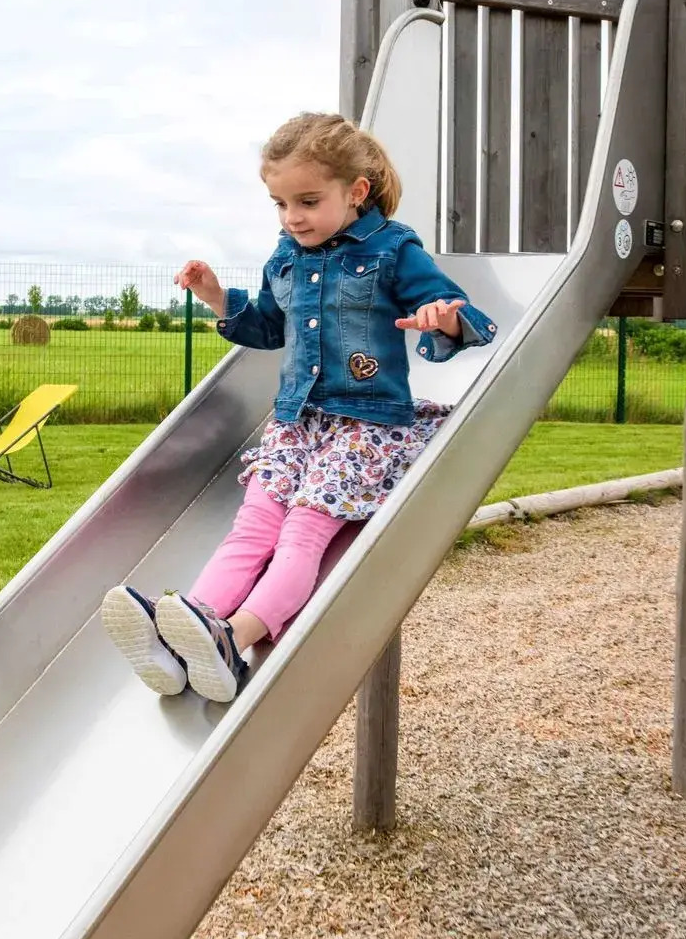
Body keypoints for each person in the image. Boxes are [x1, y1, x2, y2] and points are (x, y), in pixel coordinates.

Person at [100, 111, 497, 703]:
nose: (293, 218)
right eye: (281, 204)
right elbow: (266, 326)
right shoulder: (285, 256)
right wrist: (215, 297)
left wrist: (446, 317)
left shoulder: (392, 248)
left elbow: (453, 309)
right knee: (251, 528)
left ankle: (235, 639)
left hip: (365, 426)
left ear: (355, 192)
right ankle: (191, 636)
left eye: (308, 201)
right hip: (296, 422)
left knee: (302, 536)